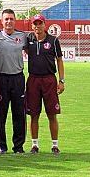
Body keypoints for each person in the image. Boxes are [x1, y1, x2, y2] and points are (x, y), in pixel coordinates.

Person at [25, 14, 65, 155]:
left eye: (40, 23)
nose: (37, 26)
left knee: (52, 114)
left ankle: (55, 145)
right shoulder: (28, 39)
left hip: (49, 80)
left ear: (44, 24)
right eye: (35, 24)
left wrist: (61, 80)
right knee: (33, 115)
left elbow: (59, 60)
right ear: (32, 25)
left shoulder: (53, 41)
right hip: (33, 80)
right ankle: (34, 145)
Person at [0, 9, 27, 154]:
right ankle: (1, 146)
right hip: (1, 78)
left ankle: (18, 146)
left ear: (15, 20)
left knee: (19, 113)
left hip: (18, 78)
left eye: (11, 19)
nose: (9, 22)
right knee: (0, 114)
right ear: (1, 21)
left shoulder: (23, 36)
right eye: (6, 19)